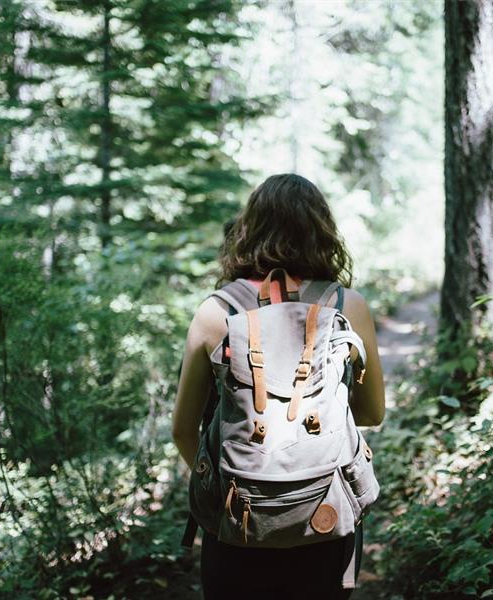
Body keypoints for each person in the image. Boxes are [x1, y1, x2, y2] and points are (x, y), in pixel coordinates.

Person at [172, 173, 385, 599]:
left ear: (249, 229)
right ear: (321, 231)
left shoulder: (217, 312)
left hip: (237, 522)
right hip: (324, 517)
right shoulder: (347, 306)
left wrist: (226, 482)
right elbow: (371, 414)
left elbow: (183, 429)